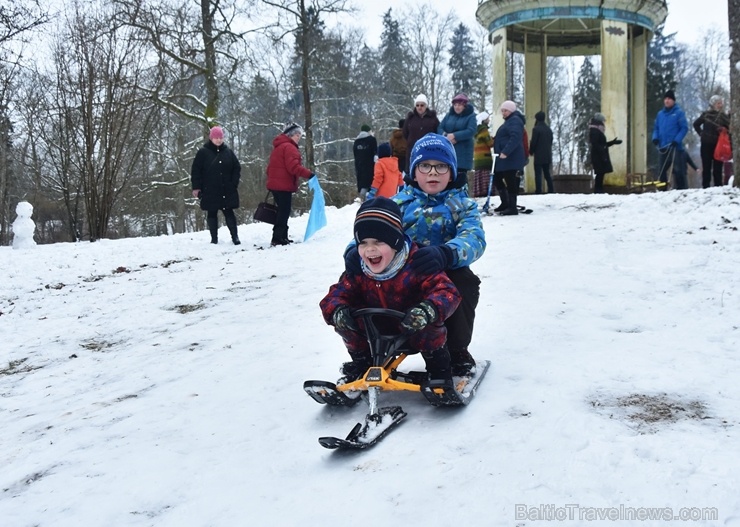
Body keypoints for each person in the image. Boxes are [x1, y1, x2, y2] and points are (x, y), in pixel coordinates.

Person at [344, 133, 486, 376]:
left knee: (464, 281)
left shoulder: (462, 205)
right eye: (425, 166)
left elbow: (474, 238)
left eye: (441, 166)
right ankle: (365, 352)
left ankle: (456, 350)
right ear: (414, 170)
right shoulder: (398, 203)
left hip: (441, 274)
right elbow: (372, 227)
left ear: (451, 171)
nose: (433, 172)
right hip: (401, 275)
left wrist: (446, 253)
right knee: (356, 282)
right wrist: (353, 251)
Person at [321, 197, 462, 383]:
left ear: (395, 242)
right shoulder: (359, 270)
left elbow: (447, 292)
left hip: (412, 329)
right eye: (363, 243)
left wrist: (428, 310)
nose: (369, 250)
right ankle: (362, 365)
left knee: (428, 326)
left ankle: (439, 370)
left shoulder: (417, 264)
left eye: (378, 242)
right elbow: (335, 295)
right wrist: (337, 310)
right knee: (345, 320)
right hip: (373, 332)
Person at [265, 123, 315, 246]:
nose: (299, 137)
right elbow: (293, 167)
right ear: (290, 135)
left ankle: (282, 237)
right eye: (297, 134)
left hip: (275, 184)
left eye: (300, 135)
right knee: (284, 212)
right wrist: (309, 174)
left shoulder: (279, 146)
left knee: (282, 211)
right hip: (283, 185)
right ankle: (278, 238)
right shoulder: (289, 147)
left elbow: (269, 168)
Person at [191, 126, 242, 245]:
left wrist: (234, 183)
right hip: (210, 189)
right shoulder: (203, 152)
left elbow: (236, 167)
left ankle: (235, 237)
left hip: (227, 188)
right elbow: (196, 171)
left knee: (229, 212)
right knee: (212, 213)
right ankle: (214, 239)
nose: (218, 140)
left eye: (220, 137)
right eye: (216, 138)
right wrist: (196, 187)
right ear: (211, 138)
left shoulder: (228, 152)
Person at [492, 100, 527, 215]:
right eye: (502, 110)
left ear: (511, 110)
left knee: (510, 181)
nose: (503, 113)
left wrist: (506, 151)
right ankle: (505, 203)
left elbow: (515, 137)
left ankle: (512, 207)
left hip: (511, 157)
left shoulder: (515, 121)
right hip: (504, 159)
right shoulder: (509, 121)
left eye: (505, 110)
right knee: (497, 178)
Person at [438, 93, 477, 188]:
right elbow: (440, 127)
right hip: (449, 151)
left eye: (459, 105)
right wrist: (446, 136)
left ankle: (462, 199)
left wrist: (455, 136)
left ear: (464, 105)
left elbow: (471, 131)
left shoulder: (471, 116)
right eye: (455, 105)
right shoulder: (449, 116)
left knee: (461, 179)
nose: (457, 107)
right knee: (448, 178)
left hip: (463, 153)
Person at [652, 90, 688, 190]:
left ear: (673, 101)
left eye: (669, 99)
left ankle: (681, 189)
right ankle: (662, 190)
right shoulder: (660, 114)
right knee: (661, 170)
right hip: (663, 146)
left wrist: (677, 140)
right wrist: (655, 138)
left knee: (677, 170)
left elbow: (684, 128)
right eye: (666, 99)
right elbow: (656, 128)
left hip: (675, 146)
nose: (667, 101)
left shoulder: (679, 113)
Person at [693, 95, 731, 188]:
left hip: (718, 145)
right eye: (718, 103)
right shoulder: (706, 114)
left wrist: (724, 130)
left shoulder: (723, 116)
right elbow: (696, 124)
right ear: (713, 104)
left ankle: (718, 186)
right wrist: (701, 134)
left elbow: (729, 128)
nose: (720, 105)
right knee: (706, 167)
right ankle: (706, 187)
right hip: (706, 144)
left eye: (721, 103)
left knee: (718, 167)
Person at [402, 94, 439, 175]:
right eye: (417, 105)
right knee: (412, 173)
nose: (419, 107)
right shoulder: (410, 118)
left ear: (426, 106)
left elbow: (437, 133)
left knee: (426, 172)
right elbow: (405, 133)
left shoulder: (433, 119)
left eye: (422, 105)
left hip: (428, 150)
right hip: (412, 150)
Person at [588, 113, 622, 194]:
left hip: (600, 154)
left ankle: (599, 189)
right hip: (598, 156)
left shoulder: (596, 131)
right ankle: (598, 190)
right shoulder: (595, 131)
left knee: (601, 173)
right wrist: (602, 152)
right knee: (600, 173)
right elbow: (596, 144)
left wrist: (613, 142)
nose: (604, 123)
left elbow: (602, 144)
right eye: (603, 121)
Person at [530, 111, 555, 194]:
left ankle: (538, 190)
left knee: (538, 174)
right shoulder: (548, 129)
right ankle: (551, 189)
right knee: (547, 173)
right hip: (547, 154)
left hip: (538, 155)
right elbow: (551, 141)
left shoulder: (536, 129)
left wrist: (531, 151)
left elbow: (533, 142)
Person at [353, 124, 377, 201]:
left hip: (359, 165)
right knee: (370, 183)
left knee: (362, 182)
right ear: (368, 131)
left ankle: (361, 197)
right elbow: (375, 153)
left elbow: (355, 154)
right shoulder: (372, 140)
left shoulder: (356, 141)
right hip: (370, 165)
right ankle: (366, 198)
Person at [472, 111, 494, 198]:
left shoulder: (476, 130)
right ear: (484, 120)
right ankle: (487, 191)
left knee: (479, 175)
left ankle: (479, 191)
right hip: (485, 157)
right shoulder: (484, 130)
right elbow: (490, 143)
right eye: (488, 118)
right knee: (486, 174)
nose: (489, 120)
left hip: (477, 158)